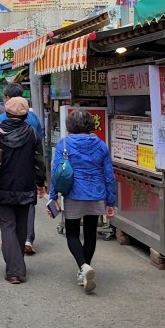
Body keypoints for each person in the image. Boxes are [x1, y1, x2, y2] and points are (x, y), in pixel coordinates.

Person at [49, 108, 116, 294]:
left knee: (72, 233)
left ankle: (83, 267)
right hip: (96, 194)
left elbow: (56, 173)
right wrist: (110, 201)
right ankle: (85, 269)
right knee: (90, 233)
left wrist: (53, 197)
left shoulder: (64, 144)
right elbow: (109, 176)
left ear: (70, 126)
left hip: (73, 193)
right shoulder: (101, 145)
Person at [0, 96, 45, 284]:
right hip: (25, 186)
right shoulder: (32, 133)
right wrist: (41, 182)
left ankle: (14, 270)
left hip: (1, 186)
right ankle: (16, 264)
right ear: (26, 114)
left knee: (7, 226)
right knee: (20, 226)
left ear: (6, 112)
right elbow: (39, 161)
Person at [0, 83, 45, 255]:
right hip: (28, 171)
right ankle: (27, 239)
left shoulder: (1, 118)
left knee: (8, 212)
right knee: (27, 206)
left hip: (6, 173)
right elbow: (40, 146)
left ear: (8, 99)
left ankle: (9, 240)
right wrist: (41, 180)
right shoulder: (33, 118)